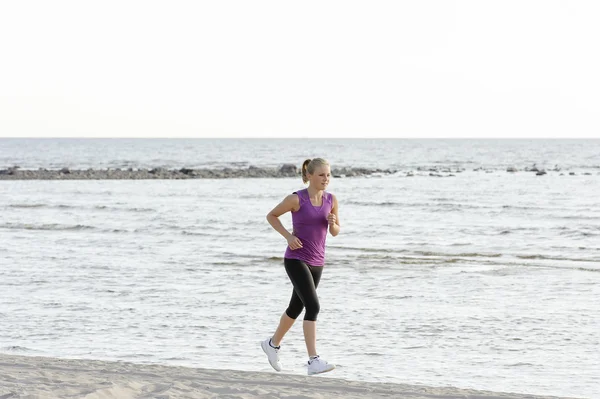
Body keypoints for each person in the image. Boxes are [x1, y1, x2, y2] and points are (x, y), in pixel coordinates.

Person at [262, 158, 340, 375]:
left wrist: (333, 223)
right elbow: (272, 216)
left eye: (328, 175)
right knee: (313, 306)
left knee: (296, 308)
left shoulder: (331, 200)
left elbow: (335, 232)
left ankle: (272, 344)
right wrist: (287, 236)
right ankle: (313, 360)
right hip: (296, 259)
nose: (326, 179)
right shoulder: (296, 199)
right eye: (321, 175)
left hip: (317, 262)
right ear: (310, 176)